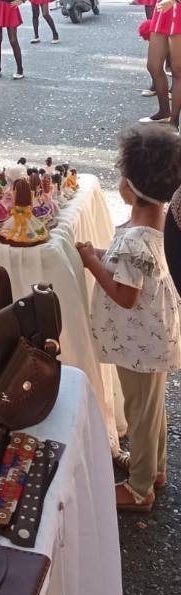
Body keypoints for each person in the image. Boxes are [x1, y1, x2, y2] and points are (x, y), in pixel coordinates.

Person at [78, 125, 181, 511]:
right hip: (154, 337)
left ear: (132, 188)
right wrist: (101, 254)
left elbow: (125, 294)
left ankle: (140, 490)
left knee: (140, 413)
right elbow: (129, 268)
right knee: (152, 409)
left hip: (139, 344)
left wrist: (90, 262)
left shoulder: (133, 240)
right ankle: (154, 469)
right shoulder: (156, 223)